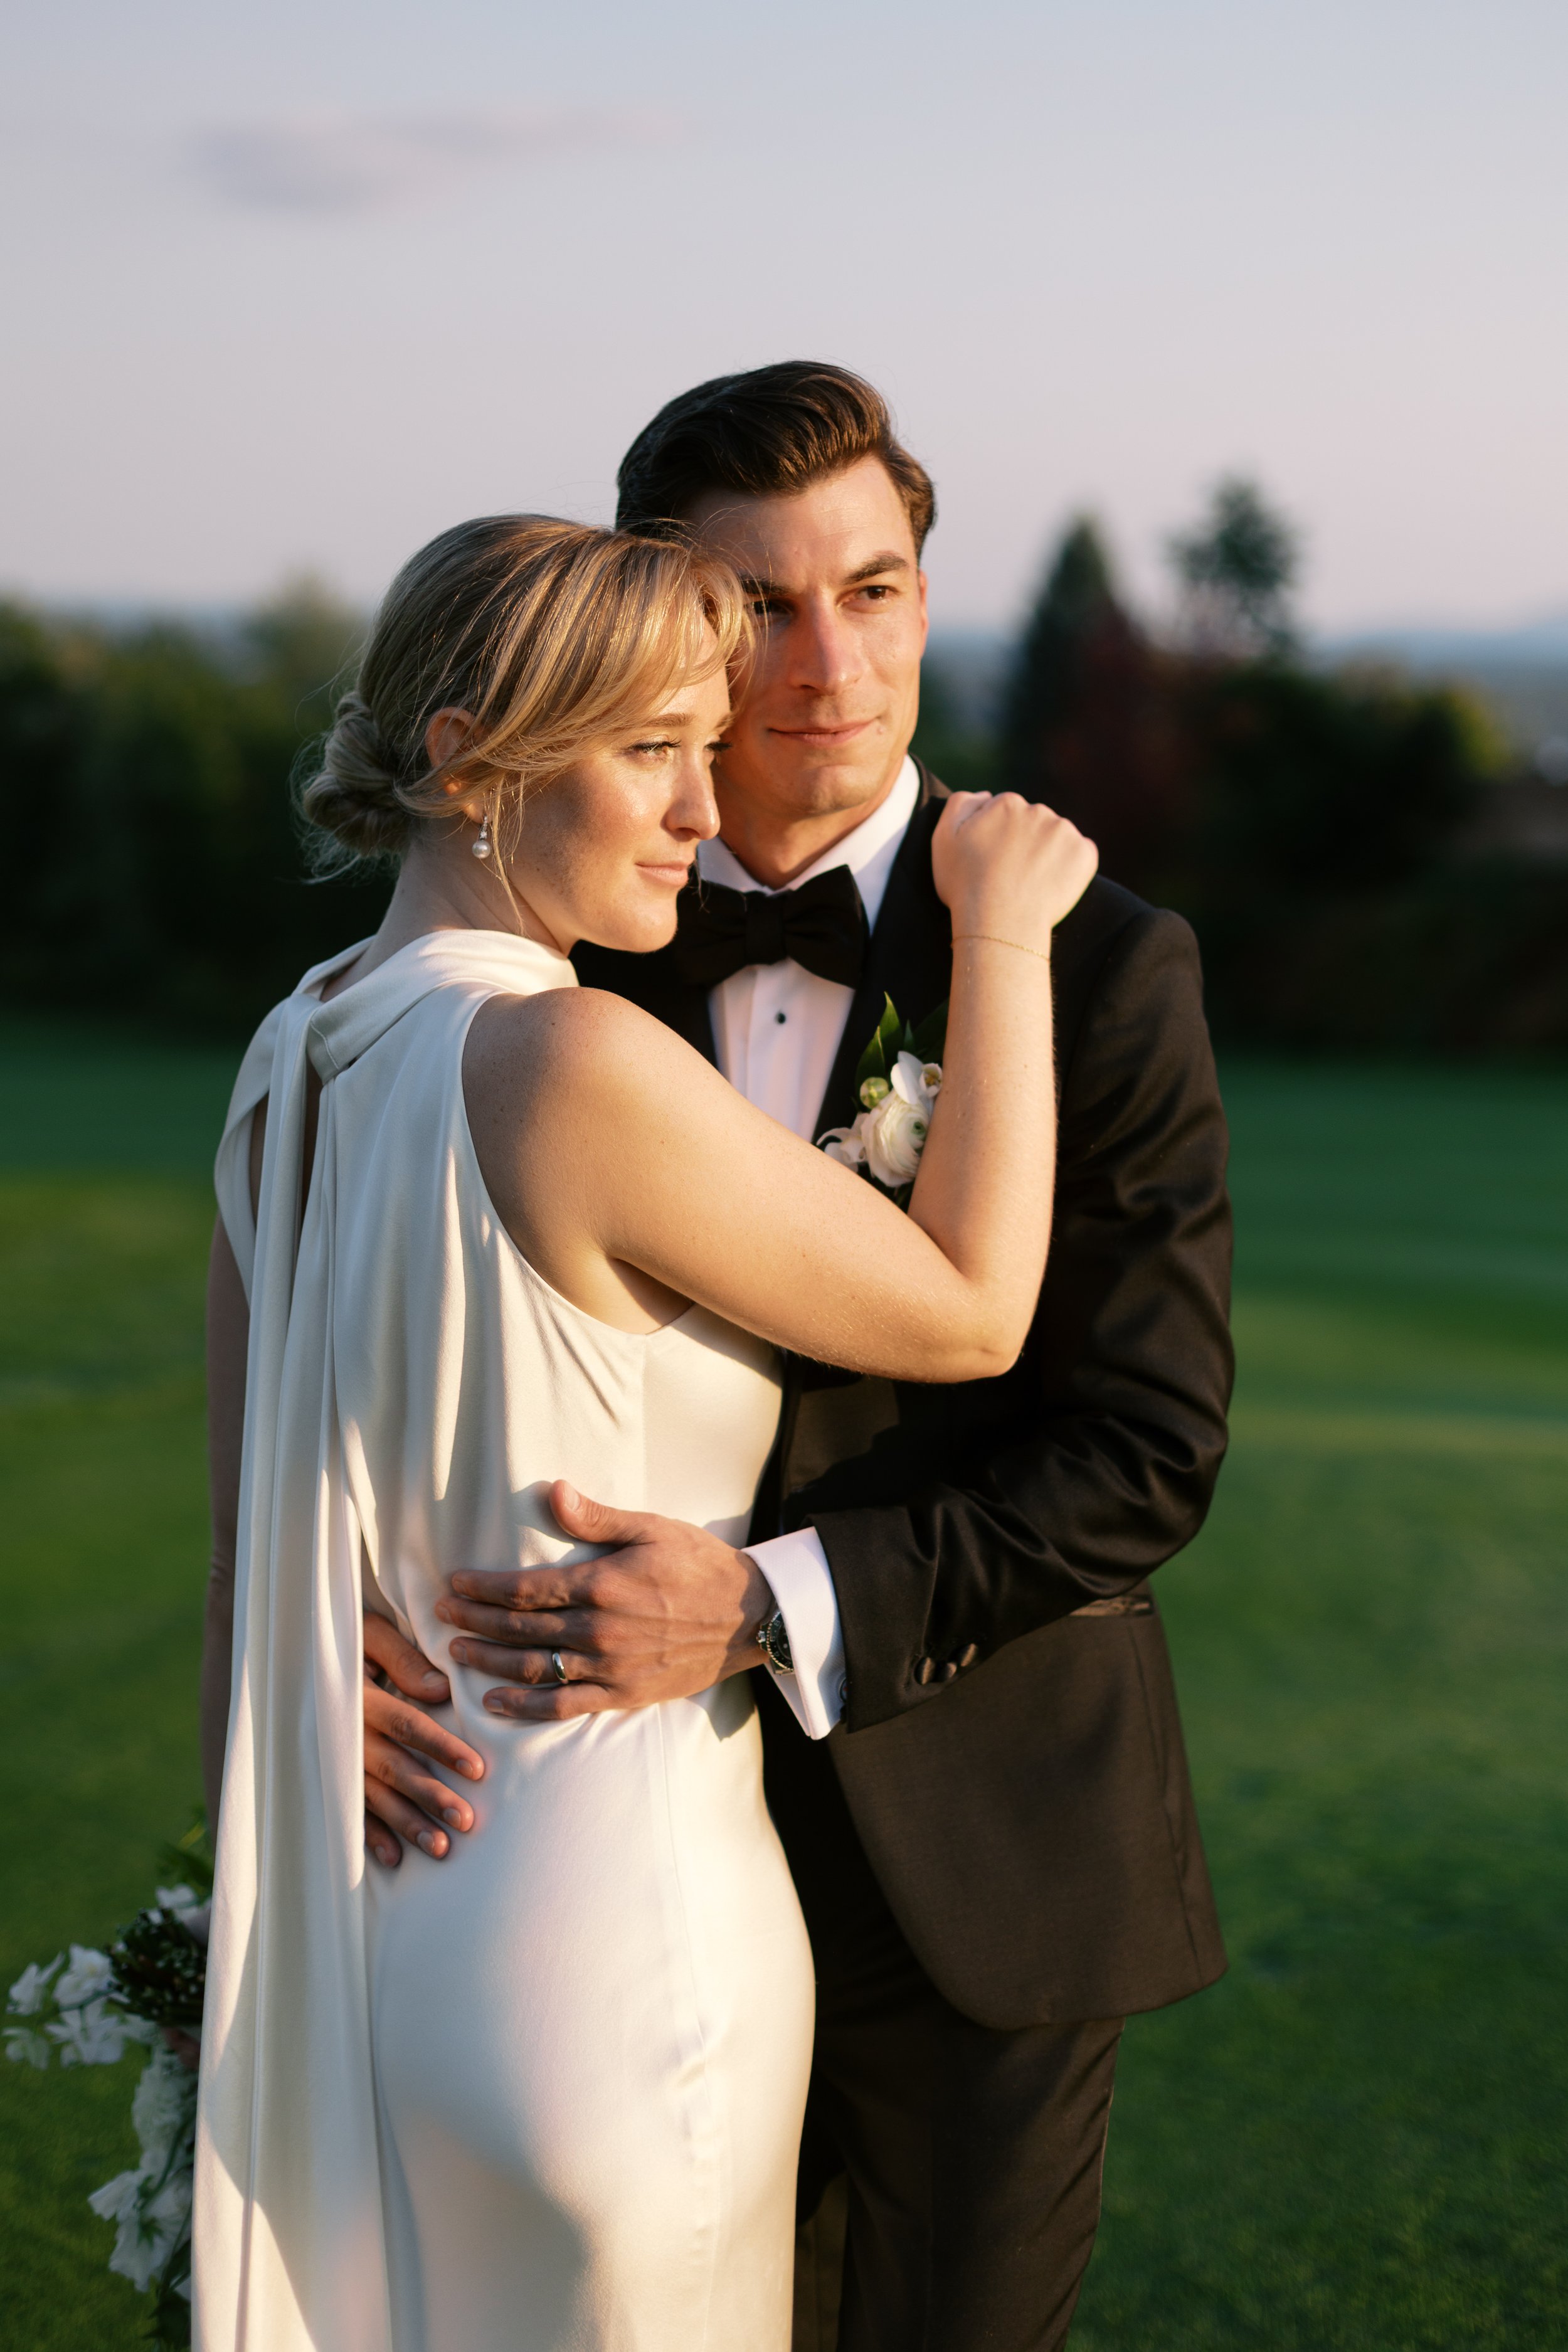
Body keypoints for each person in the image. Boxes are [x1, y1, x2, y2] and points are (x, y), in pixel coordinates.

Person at [363, 365, 1234, 2352]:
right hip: (587, 1853)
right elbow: (392, 1325)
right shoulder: (552, 940)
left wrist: (758, 1606)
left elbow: (1142, 1449)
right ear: (664, 623)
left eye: (877, 587)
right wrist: (320, 1621)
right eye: (757, 605)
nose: (828, 662)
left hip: (980, 1855)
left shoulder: (1089, 961)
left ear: (928, 596)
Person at [194, 509, 1096, 2352]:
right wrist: (995, 929)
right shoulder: (579, 1062)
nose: (701, 808)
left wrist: (292, 1668)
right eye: (650, 750)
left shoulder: (293, 1049)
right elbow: (970, 1312)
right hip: (618, 1948)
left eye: (703, 748)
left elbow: (252, 1533)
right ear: (467, 761)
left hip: (382, 1938)